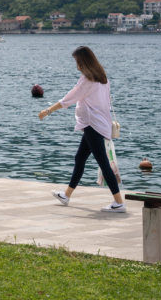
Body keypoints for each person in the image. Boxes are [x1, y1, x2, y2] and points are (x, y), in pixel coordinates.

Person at [38, 46, 126, 213]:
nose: (76, 66)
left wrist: (48, 111)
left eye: (77, 62)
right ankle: (66, 195)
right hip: (97, 124)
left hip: (93, 125)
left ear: (84, 62)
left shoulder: (87, 80)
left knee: (103, 163)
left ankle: (119, 202)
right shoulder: (103, 78)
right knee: (80, 158)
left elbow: (68, 99)